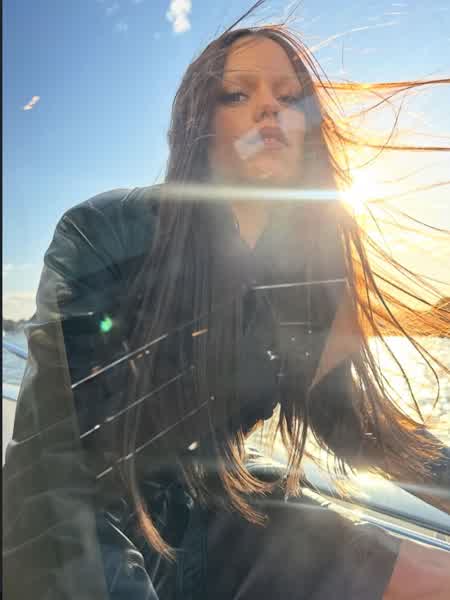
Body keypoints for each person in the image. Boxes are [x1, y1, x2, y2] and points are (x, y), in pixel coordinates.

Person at [3, 7, 450, 600]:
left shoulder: (302, 280)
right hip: (96, 536)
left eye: (289, 98)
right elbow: (52, 473)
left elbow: (357, 428)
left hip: (222, 512)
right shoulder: (101, 232)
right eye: (237, 94)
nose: (269, 109)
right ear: (198, 124)